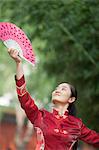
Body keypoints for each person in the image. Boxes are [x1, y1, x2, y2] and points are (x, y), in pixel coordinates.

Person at [8, 48, 99, 150]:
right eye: (56, 88)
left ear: (71, 99)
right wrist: (18, 63)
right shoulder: (40, 116)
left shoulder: (77, 124)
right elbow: (23, 96)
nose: (57, 90)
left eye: (63, 89)